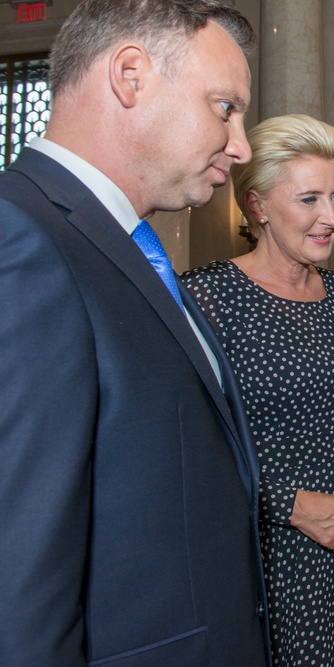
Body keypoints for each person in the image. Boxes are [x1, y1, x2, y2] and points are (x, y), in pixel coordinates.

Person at [0, 1, 269, 665]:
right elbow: (21, 577)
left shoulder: (118, 245)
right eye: (224, 108)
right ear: (130, 76)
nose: (242, 146)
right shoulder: (22, 239)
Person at [181, 114, 334, 667]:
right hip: (263, 557)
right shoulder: (208, 297)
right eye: (309, 200)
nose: (331, 217)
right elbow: (187, 447)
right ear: (257, 207)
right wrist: (292, 505)